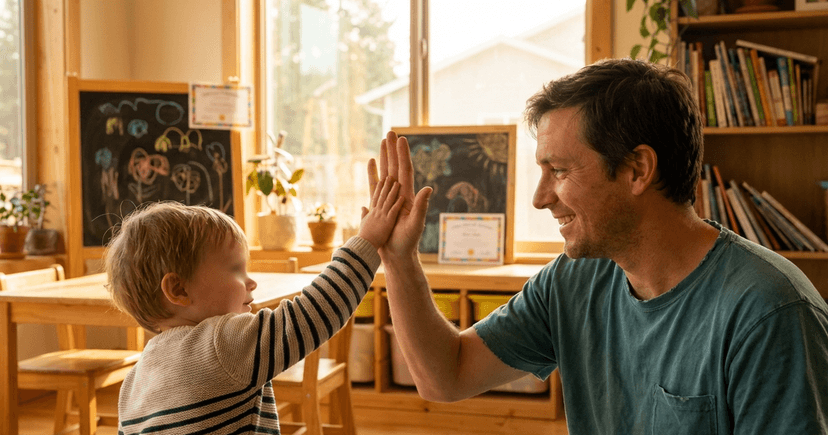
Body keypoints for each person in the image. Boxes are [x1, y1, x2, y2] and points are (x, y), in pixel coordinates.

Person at [369, 58, 828, 434]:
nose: (540, 197)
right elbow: (444, 375)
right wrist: (399, 258)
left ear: (636, 170)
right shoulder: (574, 280)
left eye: (560, 171)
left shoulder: (771, 311)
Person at [105, 176, 403, 434]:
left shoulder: (134, 381)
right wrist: (368, 240)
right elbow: (316, 311)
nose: (251, 283)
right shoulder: (221, 344)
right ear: (179, 289)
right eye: (236, 270)